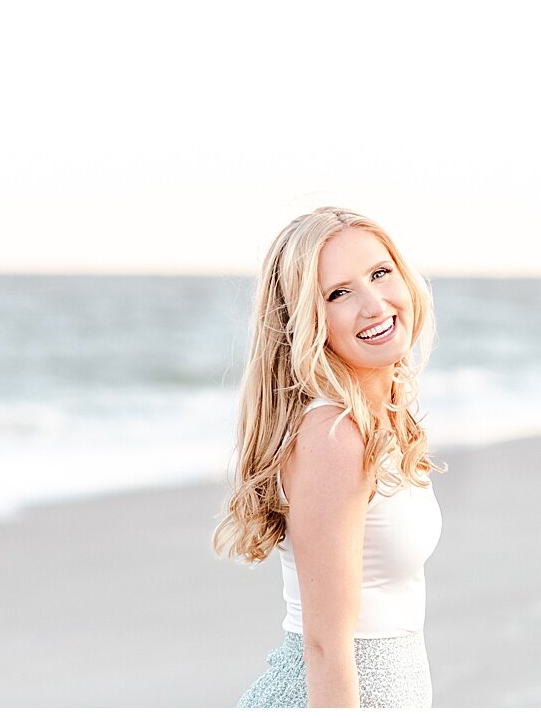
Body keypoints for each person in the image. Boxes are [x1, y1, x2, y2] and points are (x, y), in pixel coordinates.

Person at [213, 205, 448, 708]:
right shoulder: (334, 434)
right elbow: (325, 649)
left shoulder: (383, 416)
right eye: (338, 293)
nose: (373, 304)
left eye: (380, 274)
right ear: (306, 320)